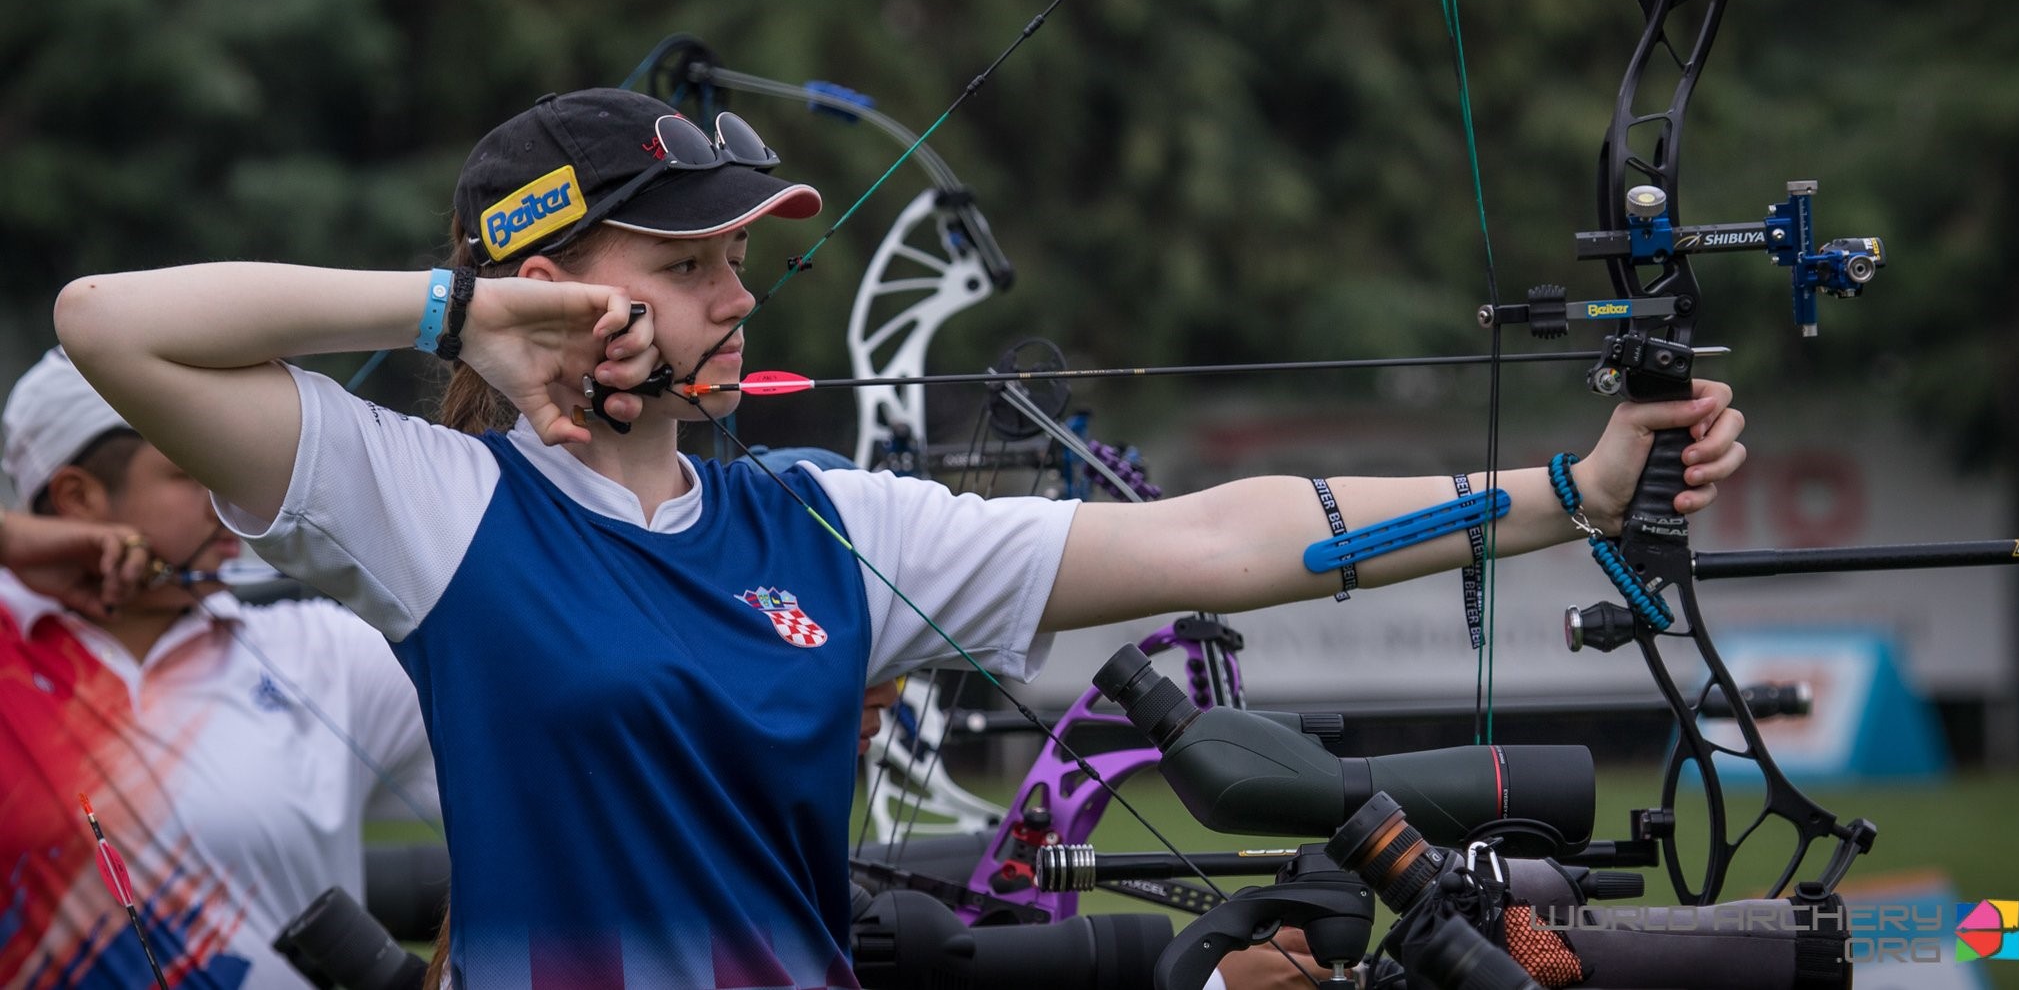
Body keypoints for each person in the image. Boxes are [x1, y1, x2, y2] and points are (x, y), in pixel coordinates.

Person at [53, 87, 1747, 988]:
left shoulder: (824, 527)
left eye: (738, 269)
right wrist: (458, 310)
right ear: (557, 277)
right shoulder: (438, 508)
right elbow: (110, 322)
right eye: (684, 265)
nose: (731, 299)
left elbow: (1221, 540)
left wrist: (1568, 496)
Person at [0, 348, 439, 988]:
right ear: (77, 496)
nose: (230, 496)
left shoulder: (325, 653)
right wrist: (14, 543)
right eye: (193, 470)